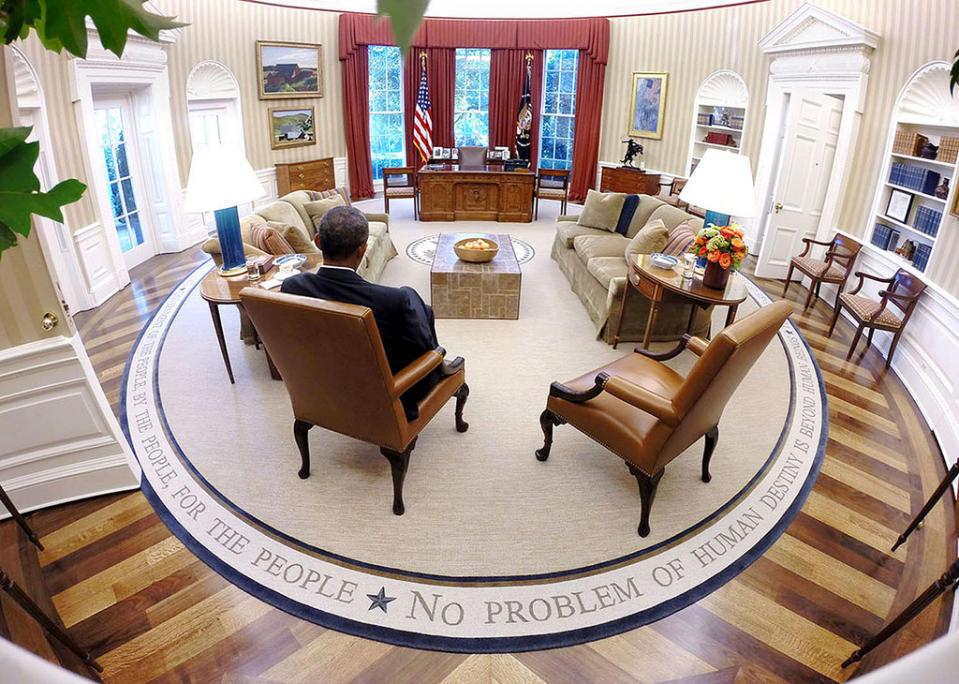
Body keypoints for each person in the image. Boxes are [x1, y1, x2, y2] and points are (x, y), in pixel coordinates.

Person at [280, 206, 458, 420]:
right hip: (388, 395)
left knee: (417, 306)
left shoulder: (292, 287)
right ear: (362, 250)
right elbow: (421, 350)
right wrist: (434, 355)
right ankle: (441, 368)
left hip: (323, 387)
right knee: (418, 307)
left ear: (317, 242)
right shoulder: (393, 300)